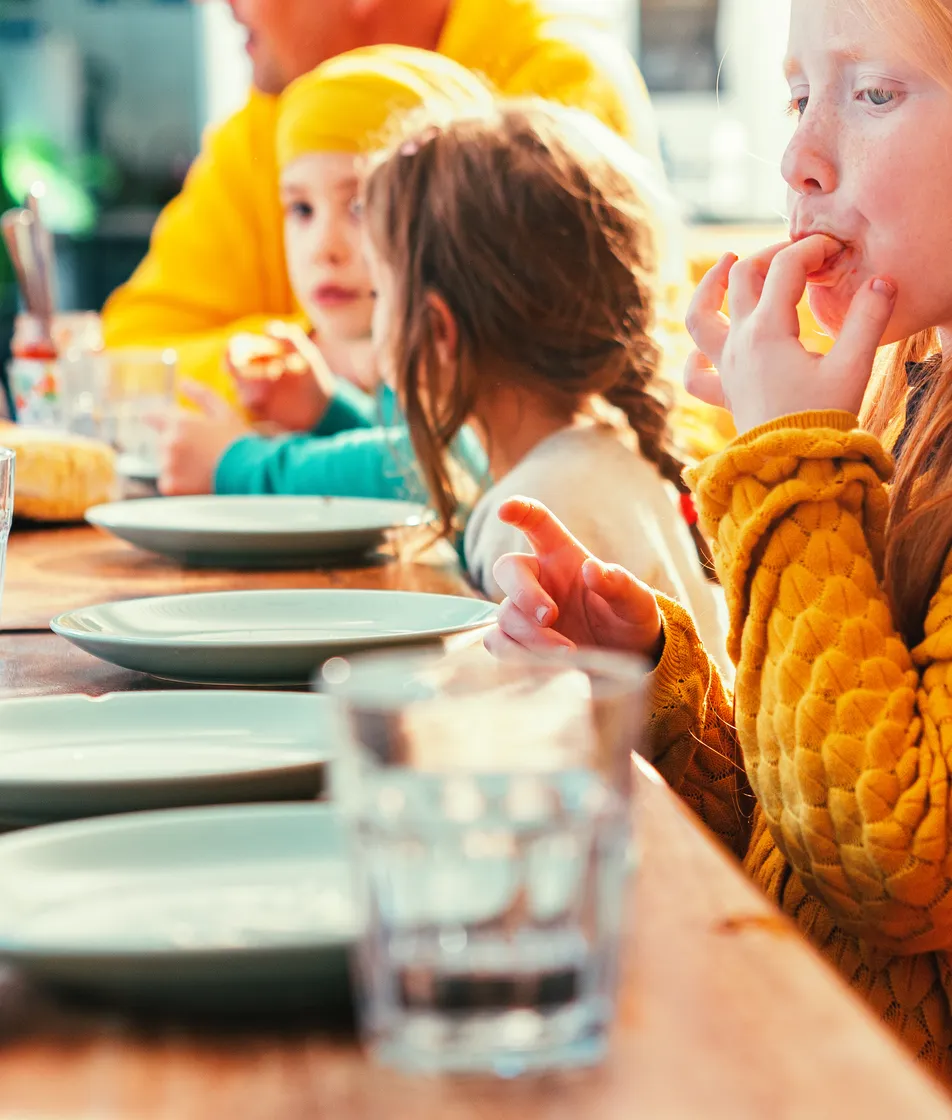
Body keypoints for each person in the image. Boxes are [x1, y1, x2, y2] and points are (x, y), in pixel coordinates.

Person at [485, 0, 952, 1080]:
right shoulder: (908, 387)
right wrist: (650, 679)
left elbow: (893, 860)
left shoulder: (840, 432)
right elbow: (803, 809)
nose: (800, 156)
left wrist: (788, 459)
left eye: (872, 94)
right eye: (797, 96)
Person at [102, 0, 662, 404]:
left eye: (362, 206)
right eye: (300, 209)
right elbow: (130, 356)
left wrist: (330, 363)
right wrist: (327, 355)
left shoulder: (553, 85)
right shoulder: (274, 115)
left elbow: (535, 370)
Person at [355, 101, 730, 675]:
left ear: (438, 330)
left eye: (378, 294)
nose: (372, 317)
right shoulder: (607, 444)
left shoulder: (532, 521)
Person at [159, 44, 491, 500]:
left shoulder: (462, 354)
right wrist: (327, 411)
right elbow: (407, 447)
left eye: (359, 206)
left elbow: (438, 471)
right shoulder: (397, 362)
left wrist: (236, 463)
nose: (323, 249)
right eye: (301, 208)